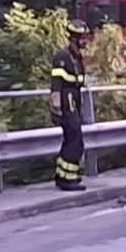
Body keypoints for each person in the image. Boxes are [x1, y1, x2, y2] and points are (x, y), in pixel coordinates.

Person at [51, 19, 89, 192]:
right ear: (74, 38)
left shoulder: (77, 57)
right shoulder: (62, 57)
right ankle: (67, 179)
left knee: (73, 140)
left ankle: (65, 176)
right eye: (82, 37)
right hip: (67, 102)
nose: (85, 41)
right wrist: (56, 109)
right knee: (75, 141)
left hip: (75, 100)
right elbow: (56, 86)